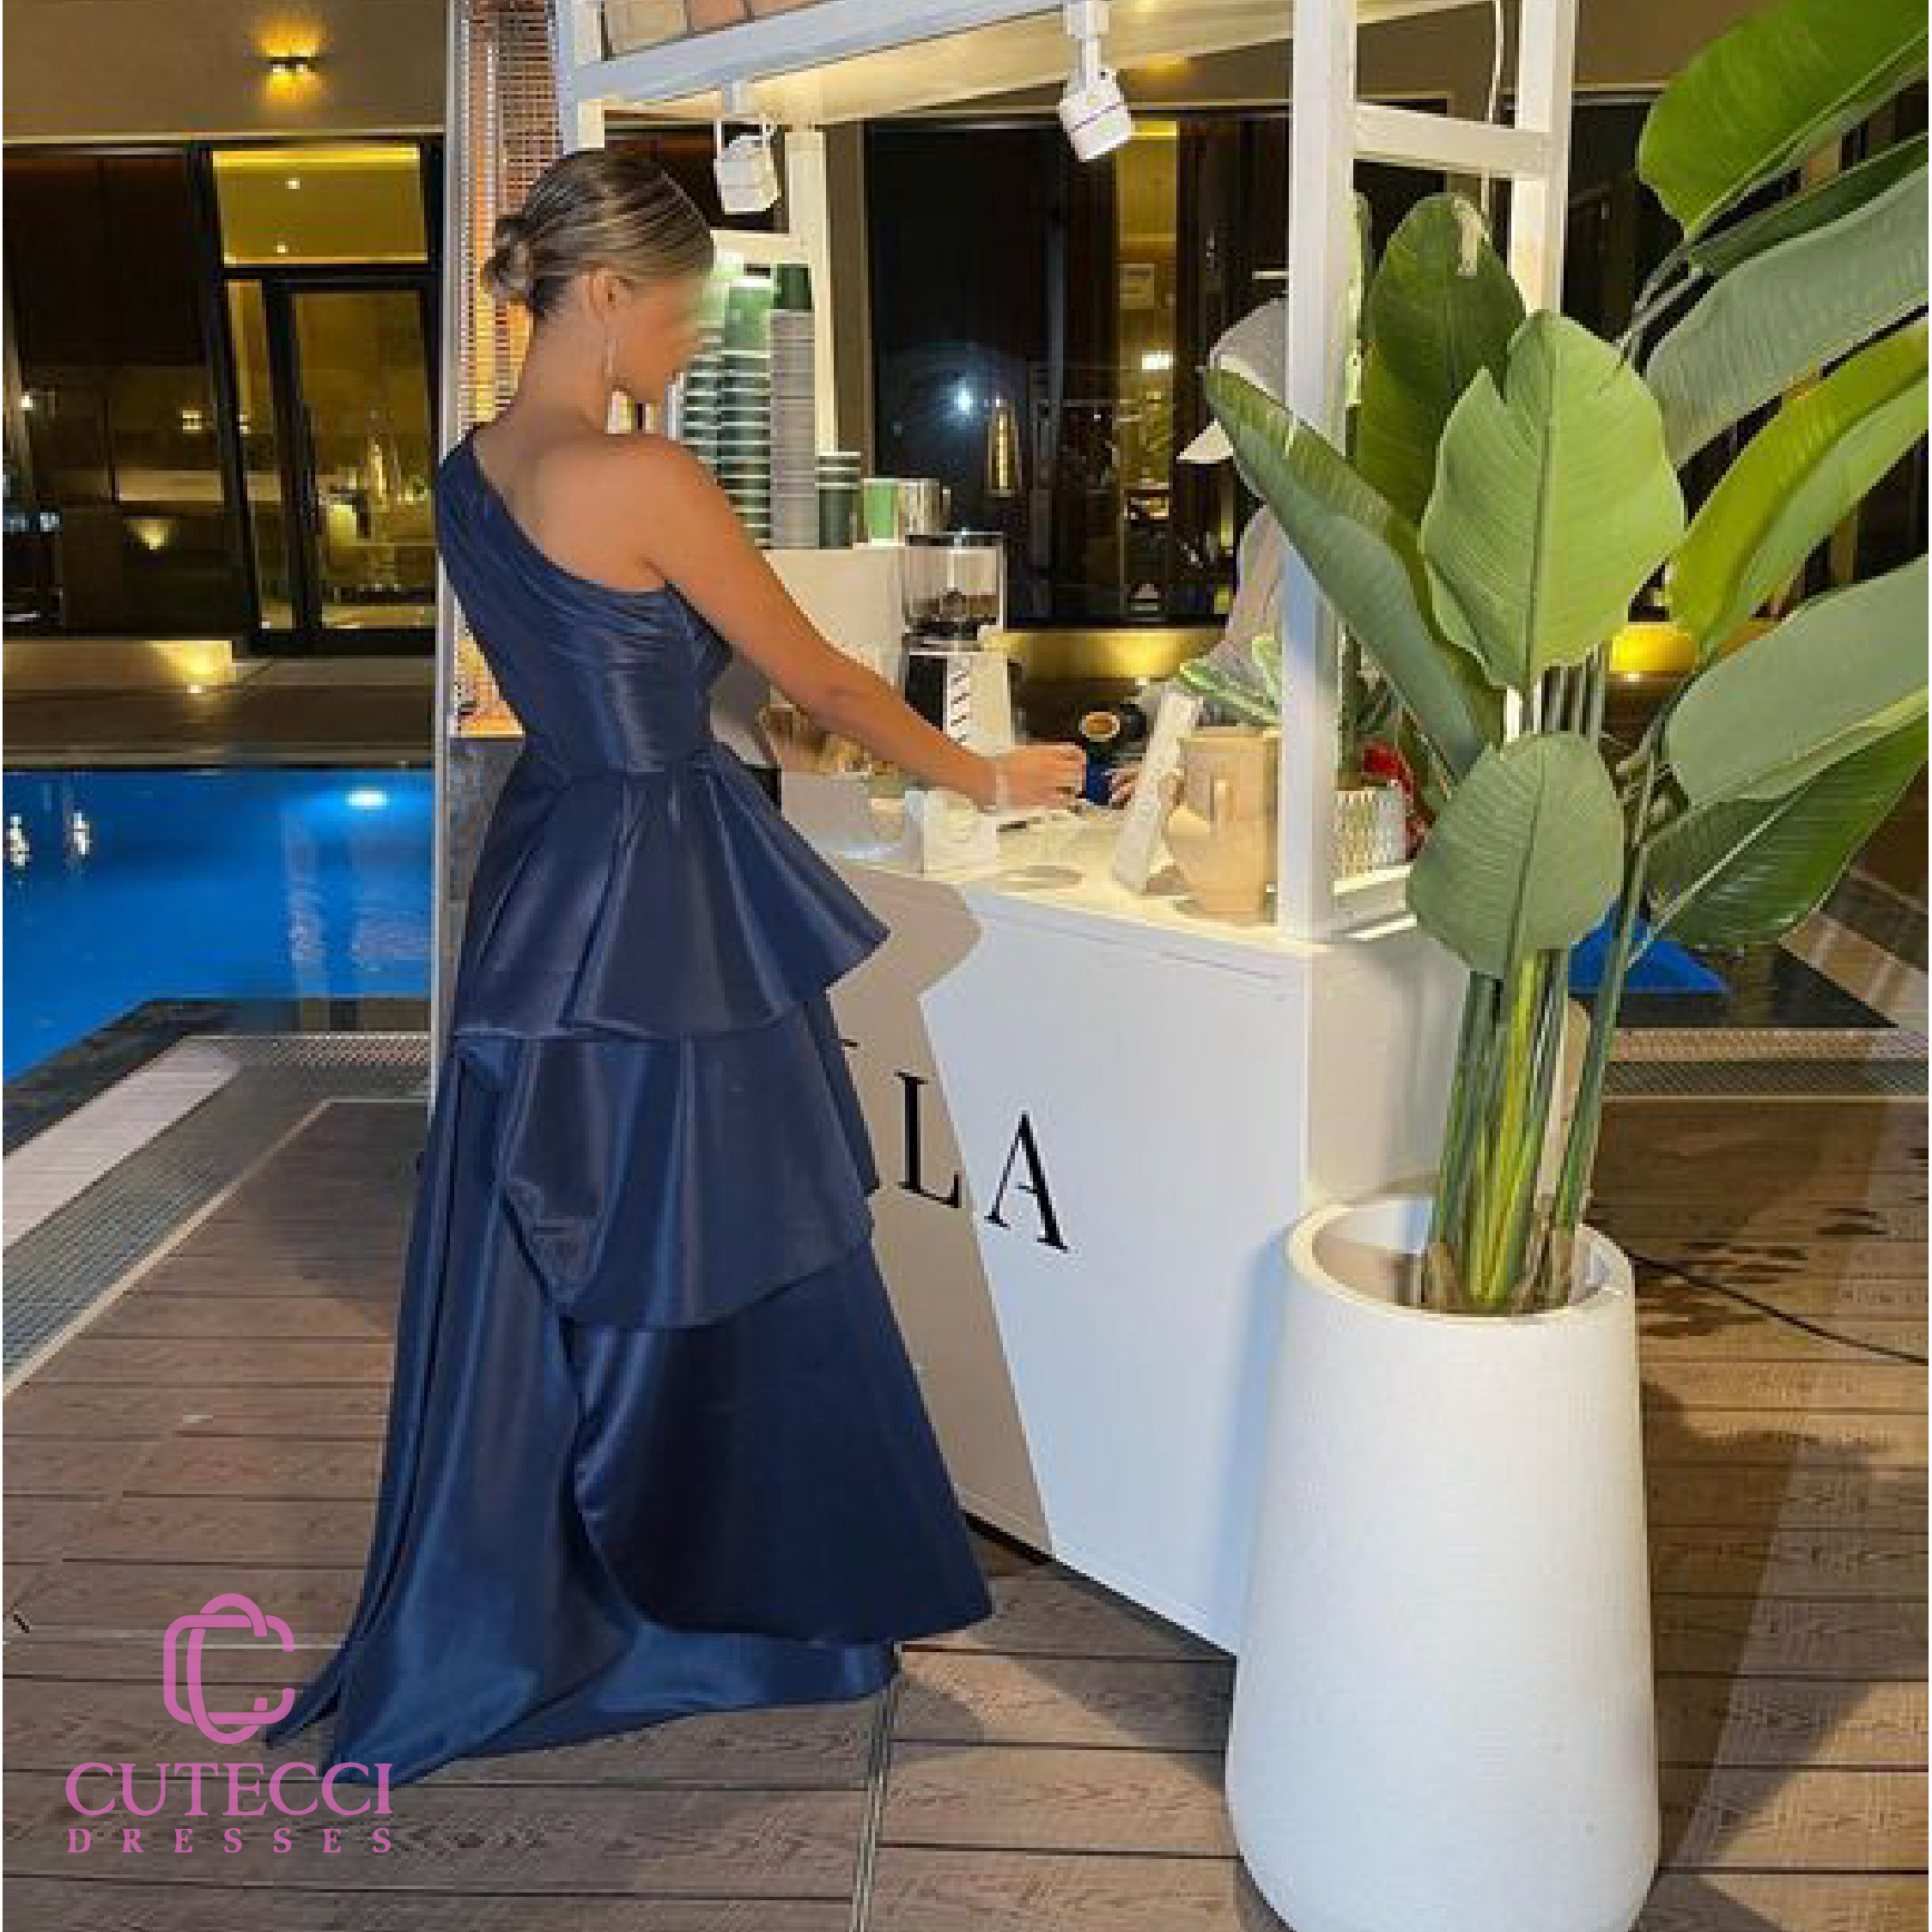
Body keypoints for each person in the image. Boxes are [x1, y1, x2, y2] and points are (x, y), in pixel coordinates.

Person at [265, 149, 1088, 1789]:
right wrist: (994, 774)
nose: (693, 343)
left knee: (562, 1230)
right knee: (723, 1226)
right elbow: (834, 681)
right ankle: (734, 1600)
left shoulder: (471, 467)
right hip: (660, 894)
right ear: (604, 293)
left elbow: (609, 659)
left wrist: (730, 708)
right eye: (684, 311)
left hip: (552, 865)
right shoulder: (641, 472)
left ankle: (549, 1591)